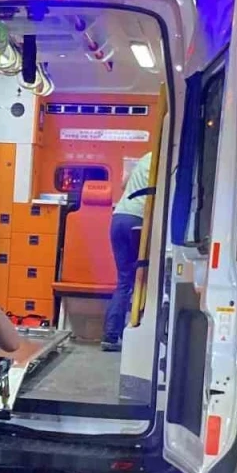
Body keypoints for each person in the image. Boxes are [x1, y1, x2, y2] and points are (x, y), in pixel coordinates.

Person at [103, 151, 153, 352]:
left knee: (124, 280)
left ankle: (111, 335)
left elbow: (124, 184)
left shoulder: (146, 157)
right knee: (144, 278)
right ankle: (136, 331)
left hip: (119, 217)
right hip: (138, 220)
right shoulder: (168, 156)